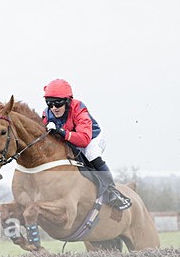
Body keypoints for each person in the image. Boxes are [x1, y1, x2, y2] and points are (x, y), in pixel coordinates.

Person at [42, 79, 132, 210]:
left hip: (92, 139)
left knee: (91, 154)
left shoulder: (79, 109)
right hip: (71, 141)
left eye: (58, 103)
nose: (54, 108)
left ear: (67, 101)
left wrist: (61, 132)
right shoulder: (47, 114)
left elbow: (84, 140)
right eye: (49, 103)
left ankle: (112, 190)